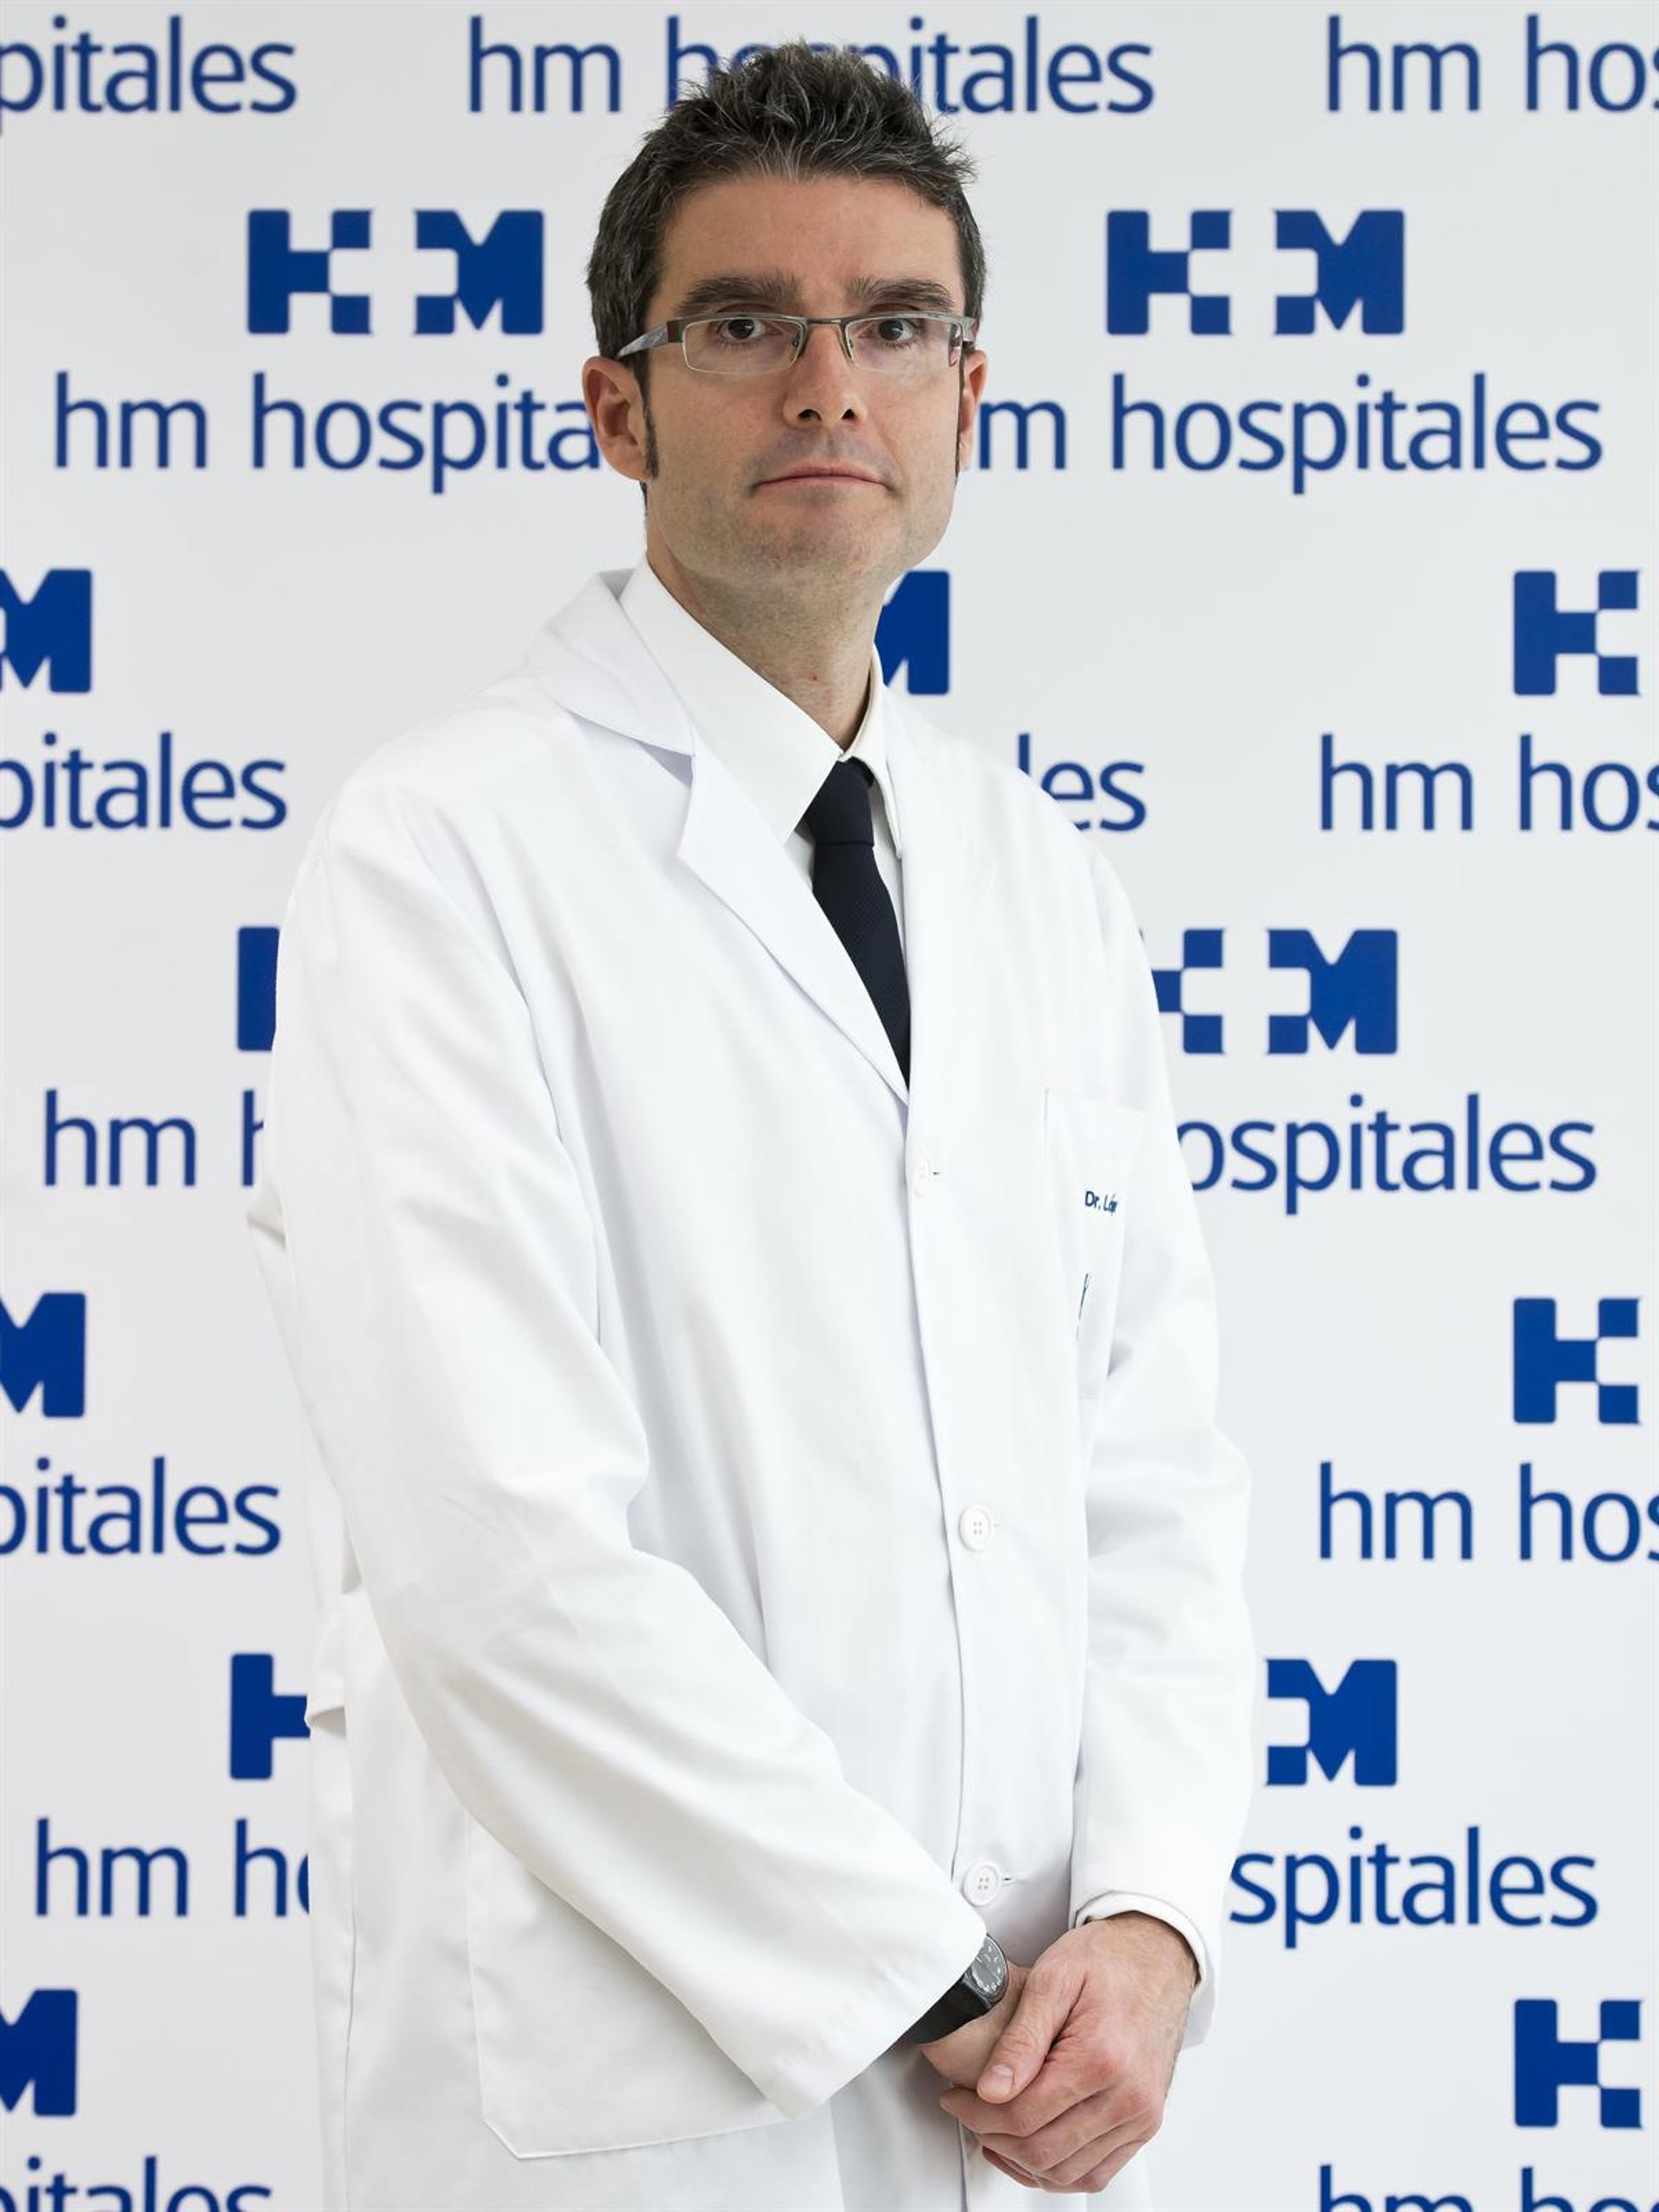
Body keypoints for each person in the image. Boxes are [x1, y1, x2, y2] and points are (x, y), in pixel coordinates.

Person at [245, 37, 1255, 2212]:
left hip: (1041, 2086)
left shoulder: (1040, 878)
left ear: (966, 400)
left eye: (894, 326)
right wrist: (924, 1979)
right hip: (643, 2115)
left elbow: (1152, 1478)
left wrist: (1155, 1914)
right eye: (742, 325)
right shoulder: (443, 856)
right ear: (618, 409)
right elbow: (498, 1560)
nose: (826, 385)